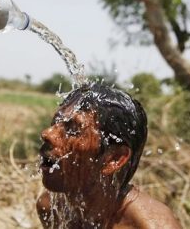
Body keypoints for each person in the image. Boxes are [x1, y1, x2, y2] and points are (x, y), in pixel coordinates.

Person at [37, 83, 181, 229]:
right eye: (56, 122)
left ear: (114, 159)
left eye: (73, 129)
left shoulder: (152, 225)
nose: (47, 134)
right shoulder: (52, 208)